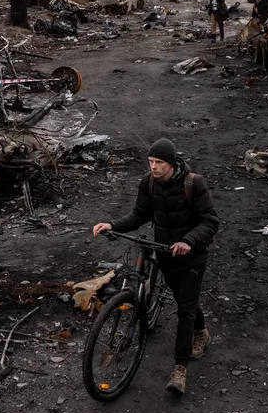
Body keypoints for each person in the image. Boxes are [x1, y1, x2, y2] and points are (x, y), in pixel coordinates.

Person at [93, 139, 219, 395]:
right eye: (150, 162)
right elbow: (140, 214)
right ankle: (202, 332)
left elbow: (210, 221)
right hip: (165, 254)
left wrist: (188, 241)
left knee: (184, 310)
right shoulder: (149, 182)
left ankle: (180, 369)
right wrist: (113, 225)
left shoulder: (194, 184)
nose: (153, 167)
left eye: (159, 163)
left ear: (171, 163)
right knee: (185, 299)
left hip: (192, 257)